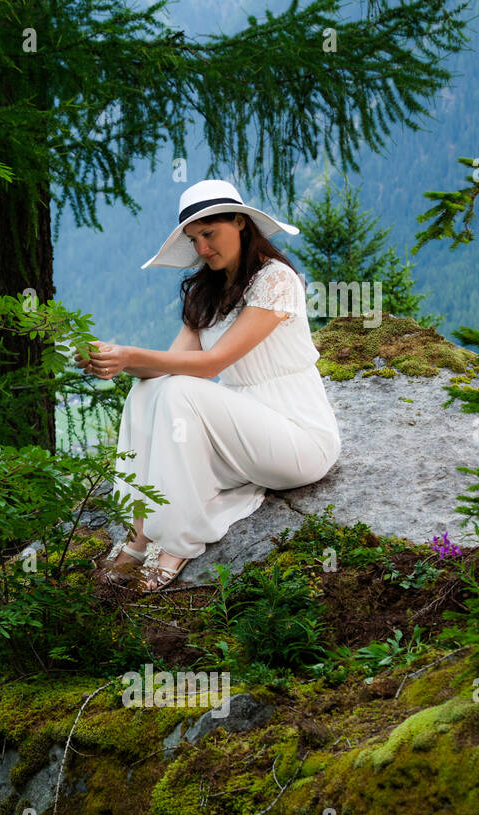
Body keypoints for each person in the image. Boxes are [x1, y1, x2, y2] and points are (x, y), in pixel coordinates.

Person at [77, 179, 341, 591]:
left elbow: (213, 363)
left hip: (299, 437)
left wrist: (131, 355)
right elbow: (168, 367)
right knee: (146, 392)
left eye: (209, 234)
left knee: (181, 390)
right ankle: (139, 536)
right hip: (244, 431)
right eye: (194, 238)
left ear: (240, 222)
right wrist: (113, 360)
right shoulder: (205, 292)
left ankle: (177, 542)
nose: (202, 249)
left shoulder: (276, 280)